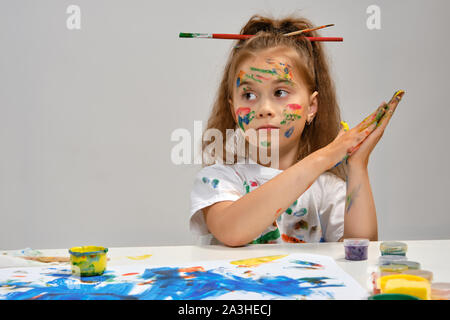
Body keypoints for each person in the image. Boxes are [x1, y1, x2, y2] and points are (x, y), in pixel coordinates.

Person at [189, 15, 404, 246]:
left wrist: (358, 164)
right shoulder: (219, 179)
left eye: (280, 92)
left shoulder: (327, 189)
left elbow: (361, 250)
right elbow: (232, 231)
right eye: (249, 95)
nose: (264, 109)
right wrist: (326, 155)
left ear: (311, 107)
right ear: (233, 110)